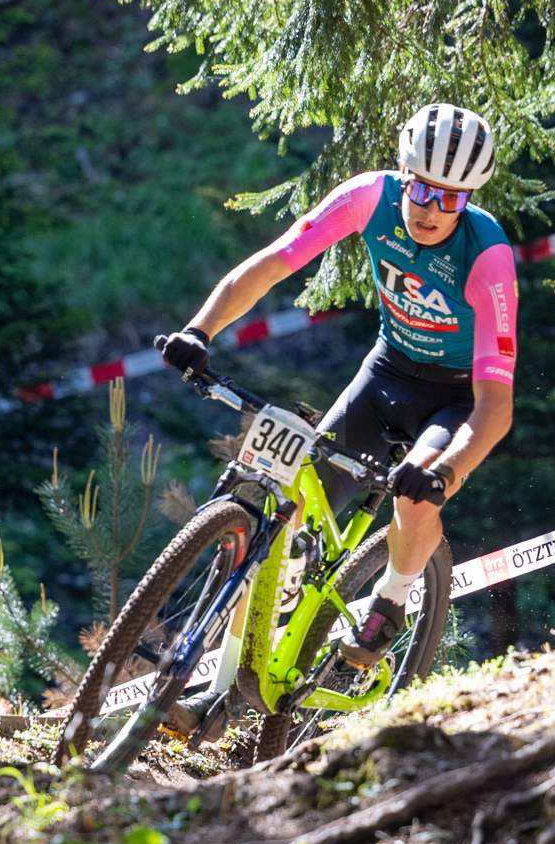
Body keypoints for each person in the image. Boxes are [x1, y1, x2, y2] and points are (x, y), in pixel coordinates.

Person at [158, 104, 518, 668]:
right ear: (403, 174)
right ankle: (234, 673)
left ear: (470, 199)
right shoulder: (369, 197)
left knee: (415, 494)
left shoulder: (487, 254)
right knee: (291, 506)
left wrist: (445, 473)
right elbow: (275, 262)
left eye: (451, 199)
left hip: (454, 400)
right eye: (423, 190)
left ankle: (393, 596)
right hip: (386, 371)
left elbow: (496, 406)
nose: (431, 209)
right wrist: (199, 331)